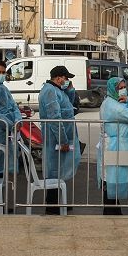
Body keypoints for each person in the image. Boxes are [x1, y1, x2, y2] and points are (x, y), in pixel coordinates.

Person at [97, 77, 128, 215]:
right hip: (114, 146)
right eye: (120, 88)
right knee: (111, 180)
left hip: (119, 145)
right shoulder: (112, 106)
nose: (123, 91)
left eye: (124, 87)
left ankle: (114, 209)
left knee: (116, 180)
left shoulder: (115, 102)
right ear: (113, 89)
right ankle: (111, 212)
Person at [38, 65, 81, 215]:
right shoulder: (50, 91)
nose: (67, 81)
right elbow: (55, 118)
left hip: (61, 138)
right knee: (54, 171)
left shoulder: (57, 91)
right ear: (58, 78)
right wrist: (62, 140)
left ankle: (58, 201)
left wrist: (70, 90)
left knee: (59, 171)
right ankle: (52, 205)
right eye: (66, 78)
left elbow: (68, 106)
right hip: (55, 138)